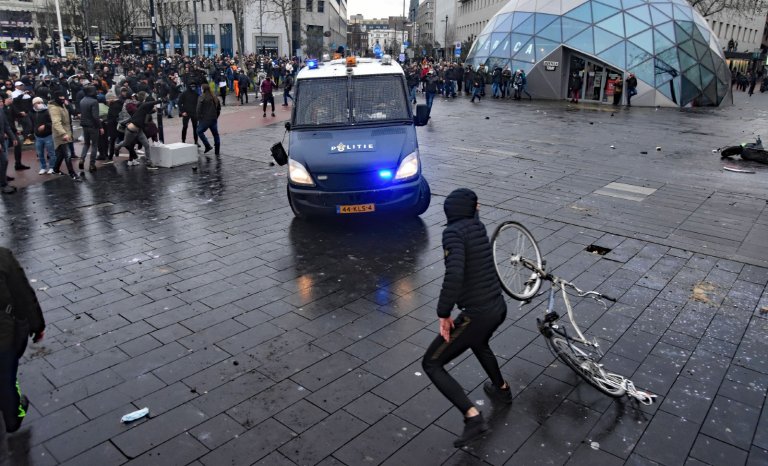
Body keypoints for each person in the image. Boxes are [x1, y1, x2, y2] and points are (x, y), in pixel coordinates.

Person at [422, 188, 510, 448]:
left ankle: (473, 417)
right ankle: (502, 390)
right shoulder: (476, 227)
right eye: (476, 204)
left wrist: (443, 313)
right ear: (470, 210)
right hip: (497, 306)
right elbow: (474, 215)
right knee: (478, 342)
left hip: (479, 313)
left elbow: (454, 274)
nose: (479, 206)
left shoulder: (453, 233)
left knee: (432, 363)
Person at [0, 247, 45, 433]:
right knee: (6, 378)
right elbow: (23, 293)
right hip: (3, 333)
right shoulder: (3, 257)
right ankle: (13, 416)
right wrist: (37, 324)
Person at [48, 91, 81, 181]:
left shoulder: (62, 105)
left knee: (61, 154)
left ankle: (55, 169)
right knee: (67, 154)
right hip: (61, 134)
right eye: (61, 98)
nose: (63, 100)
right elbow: (56, 123)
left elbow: (71, 112)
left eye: (64, 98)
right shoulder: (54, 108)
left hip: (66, 132)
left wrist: (68, 105)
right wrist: (63, 134)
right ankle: (72, 174)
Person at [78, 85, 101, 172]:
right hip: (93, 126)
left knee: (86, 144)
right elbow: (95, 116)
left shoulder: (82, 100)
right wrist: (100, 126)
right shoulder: (94, 101)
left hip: (84, 125)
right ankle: (92, 165)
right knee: (94, 145)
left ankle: (82, 159)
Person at [31, 97, 56, 175]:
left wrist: (45, 126)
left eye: (40, 102)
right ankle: (43, 167)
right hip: (38, 136)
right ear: (34, 104)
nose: (39, 104)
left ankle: (52, 167)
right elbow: (32, 123)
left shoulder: (47, 111)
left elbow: (53, 122)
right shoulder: (33, 113)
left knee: (51, 152)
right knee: (40, 153)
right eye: (37, 103)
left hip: (48, 135)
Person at [196, 84, 221, 155]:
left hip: (205, 119)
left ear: (203, 89)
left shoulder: (201, 97)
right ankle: (217, 151)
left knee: (199, 131)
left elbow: (198, 109)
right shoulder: (214, 97)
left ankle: (207, 145)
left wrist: (199, 118)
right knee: (216, 134)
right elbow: (219, 108)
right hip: (213, 119)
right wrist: (216, 116)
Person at [0, 98, 17, 194]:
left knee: (4, 161)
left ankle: (3, 183)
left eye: (2, 101)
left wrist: (13, 137)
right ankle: (3, 184)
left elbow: (6, 126)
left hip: (2, 141)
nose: (2, 103)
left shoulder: (1, 112)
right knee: (3, 161)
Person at [179, 82, 200, 146]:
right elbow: (179, 103)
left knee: (195, 127)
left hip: (194, 113)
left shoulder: (196, 94)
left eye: (194, 86)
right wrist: (182, 112)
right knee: (185, 127)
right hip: (186, 113)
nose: (193, 87)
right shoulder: (184, 94)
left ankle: (196, 141)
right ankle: (183, 140)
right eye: (192, 86)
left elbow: (198, 103)